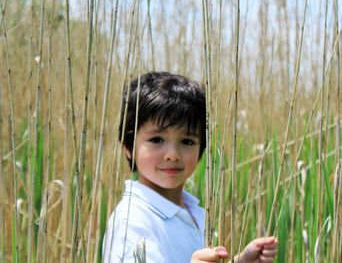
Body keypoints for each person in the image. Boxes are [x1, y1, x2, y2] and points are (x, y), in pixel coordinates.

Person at [103, 72, 278, 263]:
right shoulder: (132, 221)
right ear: (129, 147)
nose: (173, 154)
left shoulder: (192, 211)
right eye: (156, 139)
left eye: (187, 141)